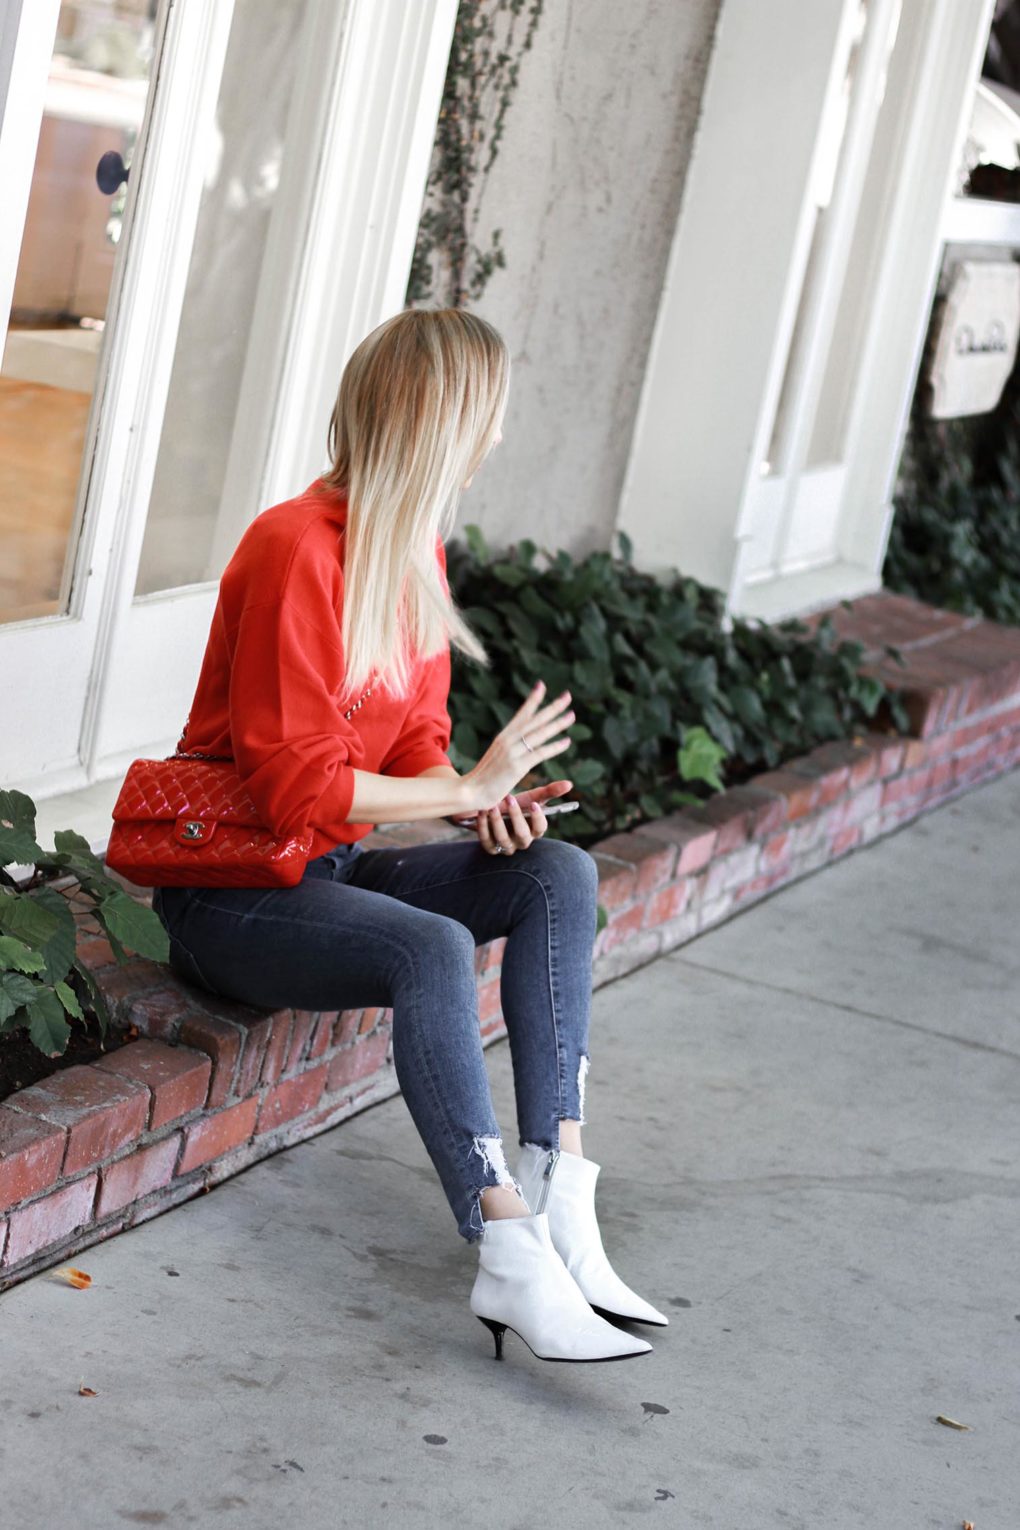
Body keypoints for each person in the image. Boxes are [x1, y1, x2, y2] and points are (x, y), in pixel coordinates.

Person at [150, 307, 668, 1364]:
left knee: (556, 873)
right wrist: (462, 783)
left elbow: (418, 749)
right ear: (442, 422)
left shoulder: (410, 548)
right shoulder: (293, 546)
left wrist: (481, 806)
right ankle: (507, 1248)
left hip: (332, 867)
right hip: (234, 893)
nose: (496, 441)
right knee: (428, 948)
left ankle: (562, 1187)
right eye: (489, 417)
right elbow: (296, 787)